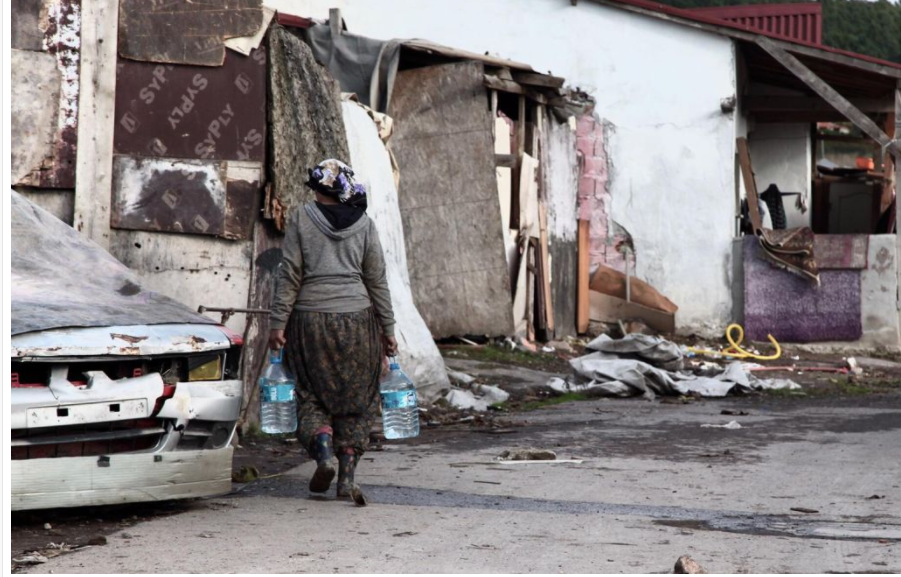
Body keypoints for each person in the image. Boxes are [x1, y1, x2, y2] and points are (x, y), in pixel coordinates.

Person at [268, 158, 397, 501]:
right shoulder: (365, 224)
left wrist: (278, 323)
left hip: (310, 322)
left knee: (312, 394)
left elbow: (290, 274)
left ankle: (323, 454)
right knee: (358, 399)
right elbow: (377, 282)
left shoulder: (301, 218)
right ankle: (346, 478)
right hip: (358, 320)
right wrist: (388, 329)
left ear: (318, 190)